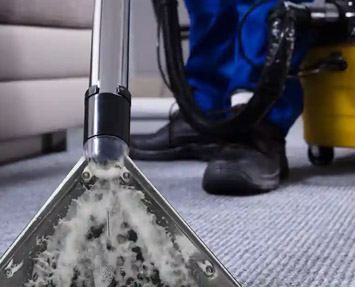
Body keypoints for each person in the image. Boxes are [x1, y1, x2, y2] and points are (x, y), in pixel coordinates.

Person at [131, 0, 309, 195]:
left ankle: (258, 123)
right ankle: (206, 112)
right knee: (211, 6)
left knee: (261, 6)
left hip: (262, 103)